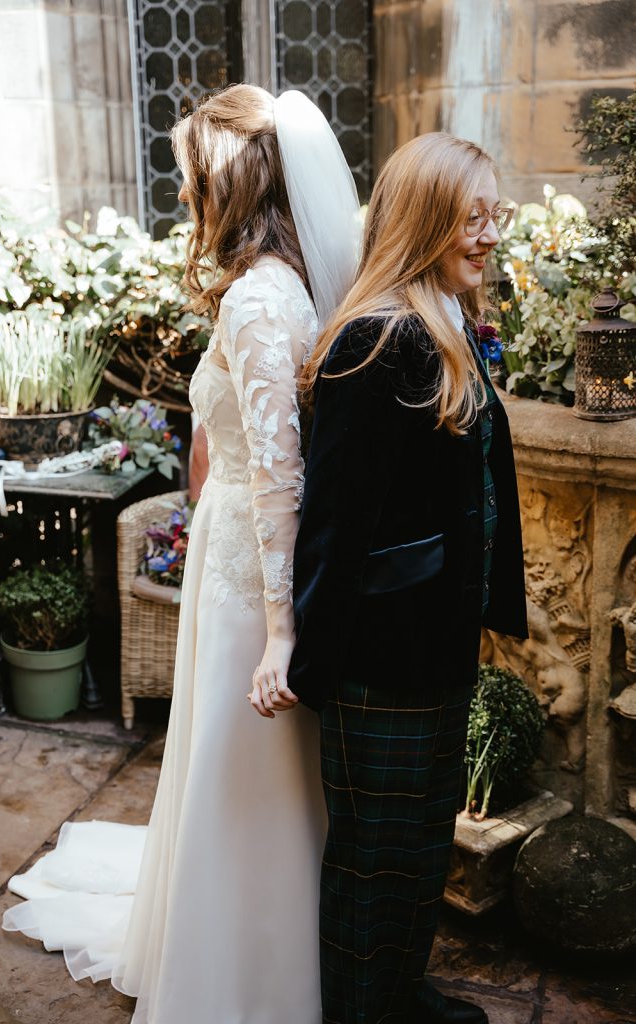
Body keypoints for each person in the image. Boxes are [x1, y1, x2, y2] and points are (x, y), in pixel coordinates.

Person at [1, 84, 360, 1024]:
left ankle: (238, 978)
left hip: (252, 572)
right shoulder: (290, 289)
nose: (185, 198)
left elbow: (280, 477)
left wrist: (281, 631)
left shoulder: (252, 302)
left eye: (191, 179)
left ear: (226, 188)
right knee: (253, 772)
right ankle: (264, 956)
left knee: (241, 770)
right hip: (242, 552)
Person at [285, 132, 528, 1024]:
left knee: (421, 846)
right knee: (373, 860)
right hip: (381, 656)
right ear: (424, 220)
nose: (488, 234)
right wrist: (310, 663)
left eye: (492, 215)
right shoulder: (375, 341)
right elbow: (336, 526)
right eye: (471, 217)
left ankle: (397, 994)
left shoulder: (441, 323)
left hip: (434, 643)